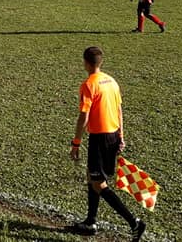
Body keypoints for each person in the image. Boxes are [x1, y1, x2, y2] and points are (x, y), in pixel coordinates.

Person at [68, 46, 147, 241]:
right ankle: (90, 221)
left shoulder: (88, 84)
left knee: (99, 183)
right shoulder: (111, 81)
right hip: (112, 135)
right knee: (92, 177)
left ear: (85, 62)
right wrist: (121, 135)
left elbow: (83, 116)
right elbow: (119, 110)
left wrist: (76, 142)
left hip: (99, 138)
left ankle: (134, 223)